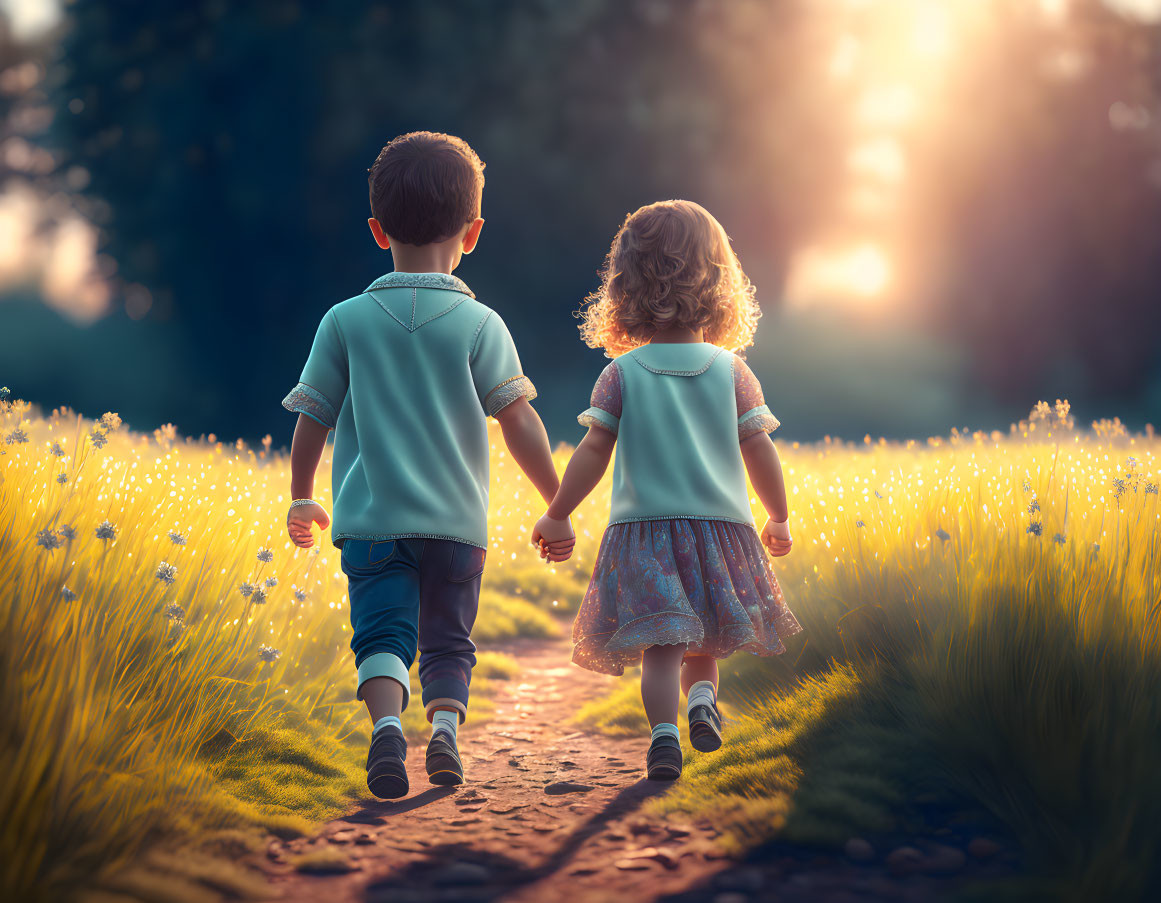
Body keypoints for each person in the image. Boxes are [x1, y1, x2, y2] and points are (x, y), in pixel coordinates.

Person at [283, 131, 569, 798]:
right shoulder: (480, 325)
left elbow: (313, 415)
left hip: (373, 522)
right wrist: (556, 501)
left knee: (381, 632)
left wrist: (302, 494)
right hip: (457, 528)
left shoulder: (344, 320)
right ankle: (443, 731)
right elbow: (517, 418)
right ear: (471, 233)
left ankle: (387, 726)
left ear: (378, 230)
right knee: (448, 640)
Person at [532, 199, 800, 780]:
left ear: (626, 283)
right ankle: (702, 702)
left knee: (662, 644)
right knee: (701, 640)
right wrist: (777, 515)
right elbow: (760, 448)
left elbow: (594, 452)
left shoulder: (621, 374)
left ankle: (662, 736)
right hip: (720, 528)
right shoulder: (733, 372)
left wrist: (558, 513)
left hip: (644, 532)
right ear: (720, 280)